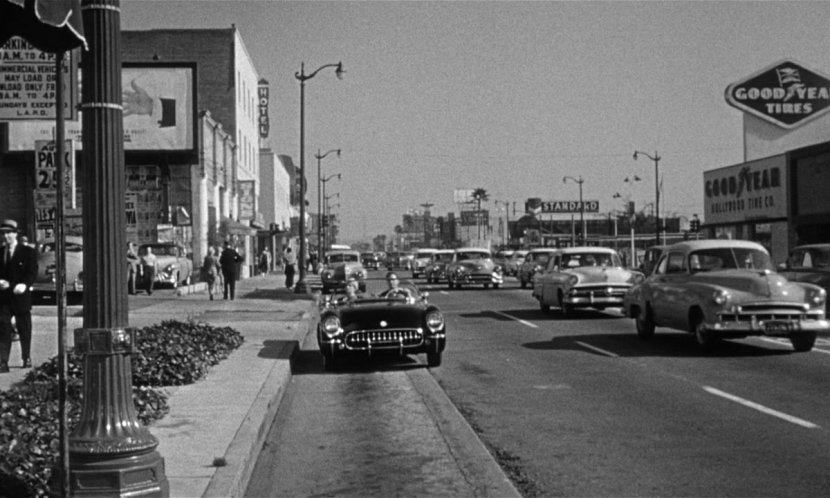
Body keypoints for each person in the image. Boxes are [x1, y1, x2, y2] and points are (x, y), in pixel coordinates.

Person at [0, 219, 38, 372]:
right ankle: (3, 361)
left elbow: (32, 272)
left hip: (21, 296)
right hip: (3, 298)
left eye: (9, 233)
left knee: (24, 327)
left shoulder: (27, 251)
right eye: (3, 233)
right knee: (3, 328)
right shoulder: (0, 252)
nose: (6, 236)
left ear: (16, 234)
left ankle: (26, 356)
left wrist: (25, 285)